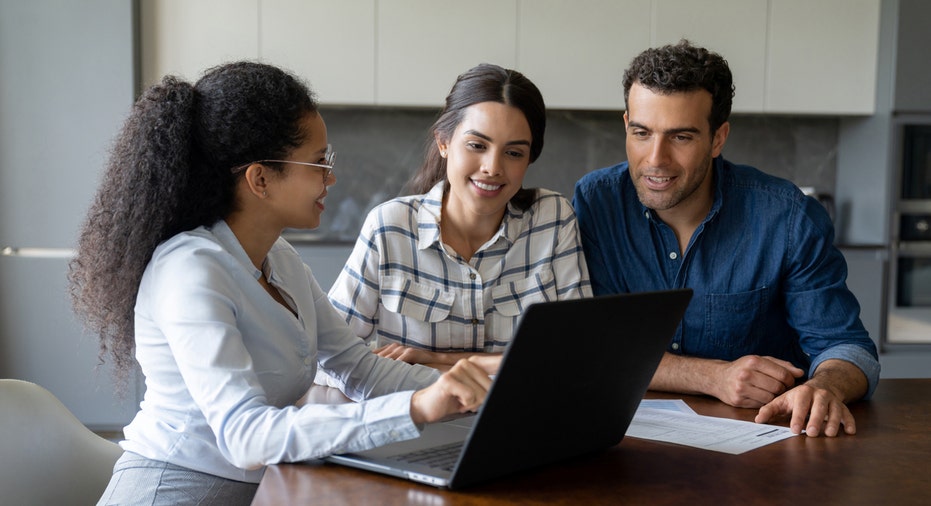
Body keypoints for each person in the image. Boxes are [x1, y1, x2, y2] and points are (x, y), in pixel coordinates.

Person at [68, 61, 499, 506]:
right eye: (317, 162)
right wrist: (417, 407)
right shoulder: (190, 269)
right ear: (259, 179)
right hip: (174, 491)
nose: (330, 177)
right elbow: (246, 437)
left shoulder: (280, 260)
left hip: (258, 491)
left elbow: (360, 368)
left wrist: (472, 394)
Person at [572, 41, 880, 438]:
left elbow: (848, 348)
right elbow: (597, 347)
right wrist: (712, 376)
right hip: (627, 444)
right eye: (641, 133)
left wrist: (825, 387)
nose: (655, 159)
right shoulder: (597, 203)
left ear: (718, 138)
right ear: (627, 123)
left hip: (764, 444)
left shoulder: (787, 217)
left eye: (681, 137)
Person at [326, 63, 591, 370]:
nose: (493, 167)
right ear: (444, 143)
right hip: (414, 416)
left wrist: (439, 361)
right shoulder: (389, 227)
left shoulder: (553, 219)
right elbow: (329, 356)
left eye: (514, 153)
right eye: (477, 145)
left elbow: (580, 354)